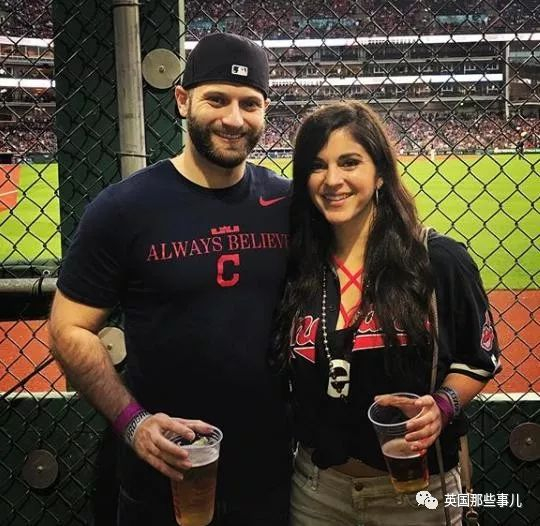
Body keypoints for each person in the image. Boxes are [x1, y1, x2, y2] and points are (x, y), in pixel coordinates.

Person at [48, 33, 292, 526]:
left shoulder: (288, 204)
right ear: (182, 100)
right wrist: (133, 423)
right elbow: (67, 328)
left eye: (250, 103)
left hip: (270, 476)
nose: (234, 119)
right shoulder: (124, 209)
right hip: (162, 478)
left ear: (265, 110)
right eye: (216, 99)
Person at [271, 101, 501, 525]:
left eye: (349, 162)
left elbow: (478, 358)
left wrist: (443, 405)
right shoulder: (296, 268)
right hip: (316, 491)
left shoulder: (437, 260)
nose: (332, 180)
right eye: (317, 166)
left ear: (380, 173)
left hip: (417, 493)